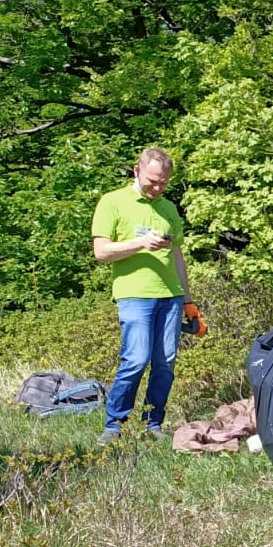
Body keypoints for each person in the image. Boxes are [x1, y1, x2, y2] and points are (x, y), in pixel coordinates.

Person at [90, 147, 198, 444]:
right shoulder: (112, 202)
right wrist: (139, 244)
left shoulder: (168, 208)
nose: (158, 187)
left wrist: (188, 300)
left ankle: (153, 424)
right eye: (152, 181)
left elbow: (177, 255)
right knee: (136, 360)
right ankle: (115, 425)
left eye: (164, 182)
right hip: (134, 295)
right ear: (136, 171)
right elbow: (101, 252)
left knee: (165, 363)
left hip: (171, 297)